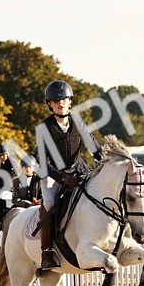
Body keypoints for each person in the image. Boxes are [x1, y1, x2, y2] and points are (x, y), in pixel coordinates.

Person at [37, 79, 95, 270]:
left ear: (70, 101)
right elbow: (42, 163)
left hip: (78, 170)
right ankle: (47, 251)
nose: (60, 103)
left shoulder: (78, 121)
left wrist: (104, 162)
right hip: (53, 174)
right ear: (49, 104)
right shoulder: (44, 128)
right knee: (50, 203)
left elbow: (94, 147)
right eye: (56, 100)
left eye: (64, 99)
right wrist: (63, 179)